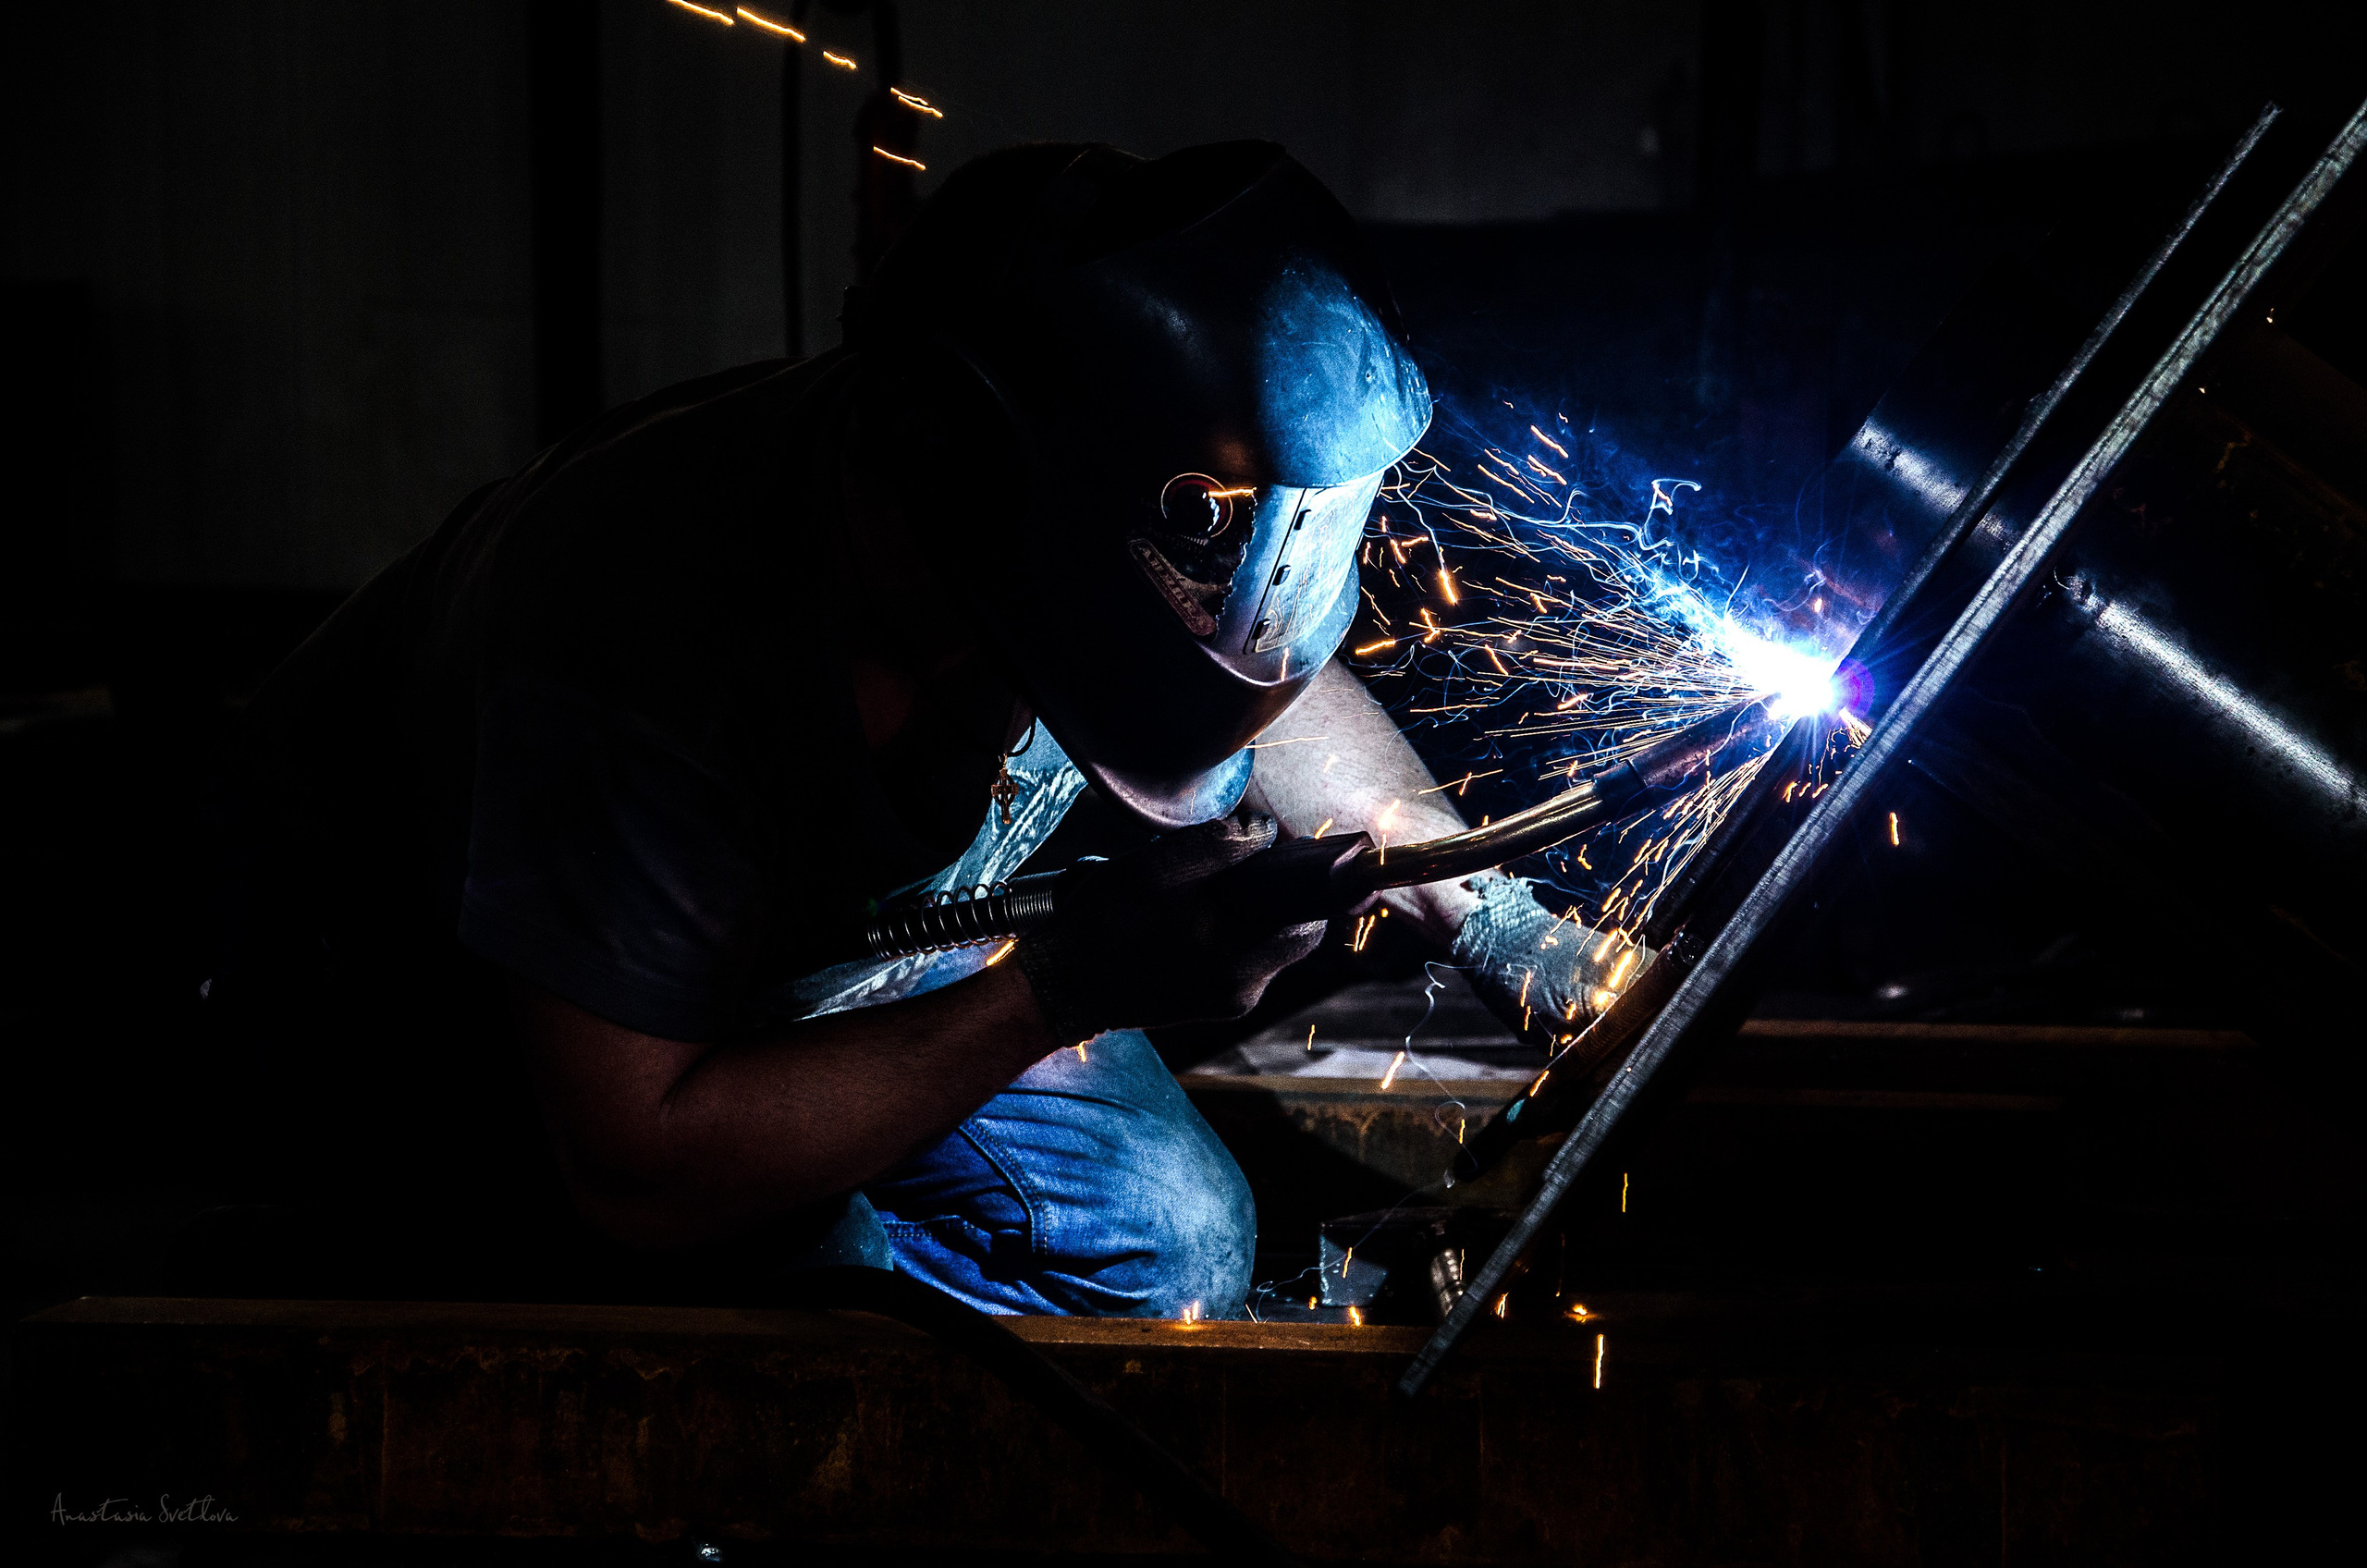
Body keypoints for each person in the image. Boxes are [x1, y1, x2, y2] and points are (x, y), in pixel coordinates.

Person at [206, 141, 1611, 1317]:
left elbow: (1257, 674)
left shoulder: (1073, 500)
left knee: (1170, 1239)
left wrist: (1481, 903)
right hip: (444, 1030)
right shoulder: (645, 645)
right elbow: (635, 1157)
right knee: (829, 1299)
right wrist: (1058, 990)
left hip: (798, 975)